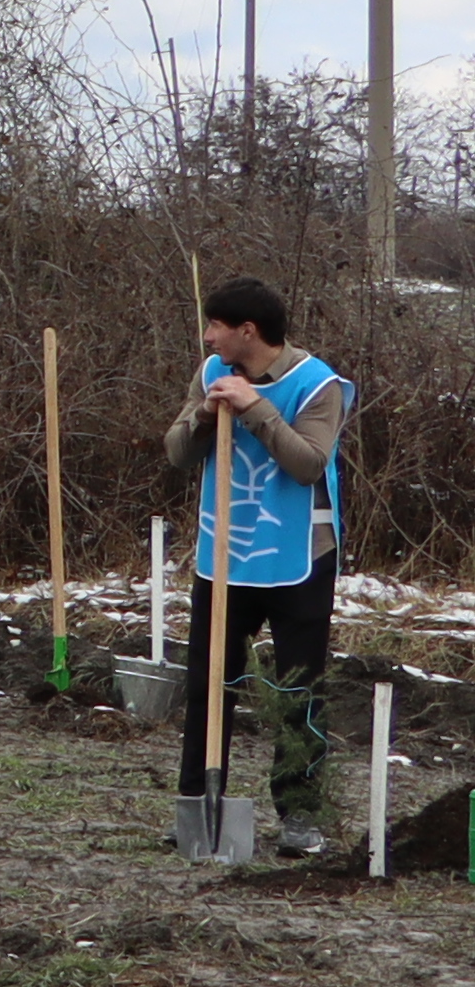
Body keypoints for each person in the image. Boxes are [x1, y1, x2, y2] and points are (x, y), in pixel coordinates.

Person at [171, 278, 352, 827]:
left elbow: (307, 464)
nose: (207, 338)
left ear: (247, 331)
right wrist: (205, 414)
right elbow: (178, 454)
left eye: (216, 327)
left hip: (300, 558)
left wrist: (255, 409)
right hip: (224, 556)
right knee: (208, 684)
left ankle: (299, 815)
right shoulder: (212, 373)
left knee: (299, 692)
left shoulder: (319, 385)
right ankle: (199, 810)